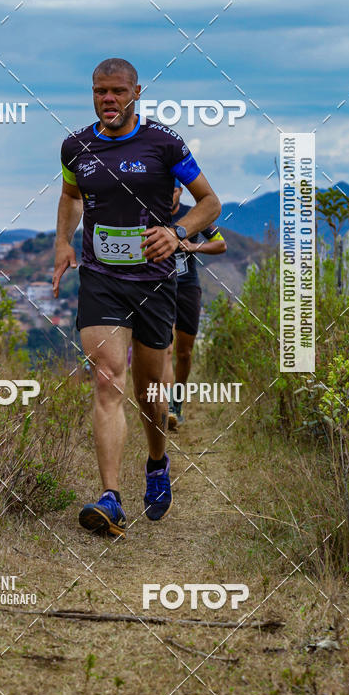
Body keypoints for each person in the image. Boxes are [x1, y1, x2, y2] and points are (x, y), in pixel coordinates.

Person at [52, 57, 221, 538]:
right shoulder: (75, 146)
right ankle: (110, 497)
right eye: (100, 91)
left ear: (136, 92)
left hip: (155, 281)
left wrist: (177, 230)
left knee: (150, 394)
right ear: (92, 93)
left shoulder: (164, 144)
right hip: (101, 278)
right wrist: (64, 242)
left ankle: (156, 462)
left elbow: (210, 202)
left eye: (117, 91)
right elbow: (71, 196)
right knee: (107, 380)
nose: (108, 99)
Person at [165, 180, 227, 430]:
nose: (168, 194)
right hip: (159, 288)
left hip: (188, 287)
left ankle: (176, 403)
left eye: (171, 190)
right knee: (164, 349)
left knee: (184, 352)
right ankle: (164, 406)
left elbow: (221, 244)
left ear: (179, 191)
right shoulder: (150, 213)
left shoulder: (194, 215)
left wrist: (193, 247)